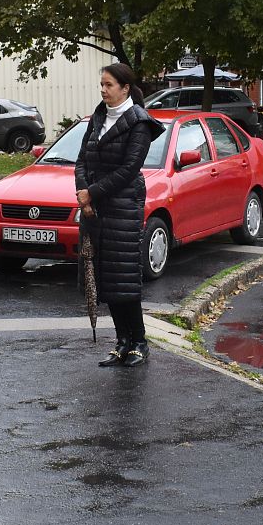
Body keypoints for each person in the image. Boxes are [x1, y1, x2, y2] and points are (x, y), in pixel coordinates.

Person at [75, 63, 165, 367]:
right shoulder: (98, 116)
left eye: (109, 85)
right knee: (106, 277)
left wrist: (93, 193)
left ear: (125, 88)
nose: (103, 90)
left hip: (123, 205)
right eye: (101, 84)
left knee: (124, 277)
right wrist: (83, 192)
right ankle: (122, 341)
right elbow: (81, 160)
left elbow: (129, 169)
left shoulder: (138, 122)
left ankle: (139, 341)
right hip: (95, 205)